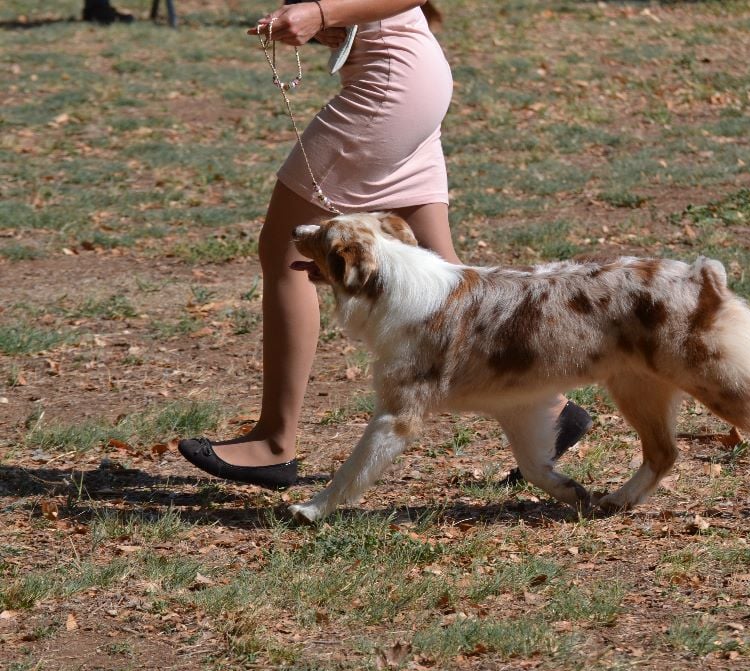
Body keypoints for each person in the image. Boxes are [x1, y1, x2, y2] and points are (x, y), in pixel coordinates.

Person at [178, 0, 590, 490]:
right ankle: (549, 408)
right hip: (405, 77)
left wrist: (321, 13)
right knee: (446, 278)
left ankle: (273, 441)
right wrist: (335, 23)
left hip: (391, 85)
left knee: (286, 253)